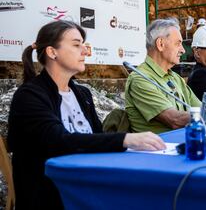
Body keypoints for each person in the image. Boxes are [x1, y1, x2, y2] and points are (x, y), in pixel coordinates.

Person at [7, 20, 165, 210]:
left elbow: (96, 137)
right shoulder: (29, 95)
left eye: (83, 44)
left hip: (90, 184)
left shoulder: (82, 94)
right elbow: (59, 140)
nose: (85, 51)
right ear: (52, 52)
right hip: (53, 195)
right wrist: (126, 139)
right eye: (76, 44)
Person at [125, 18, 201, 134]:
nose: (183, 50)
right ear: (160, 44)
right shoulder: (140, 79)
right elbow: (175, 120)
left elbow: (202, 108)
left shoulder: (175, 78)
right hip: (158, 150)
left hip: (184, 144)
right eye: (178, 44)